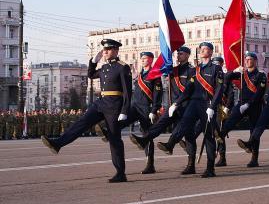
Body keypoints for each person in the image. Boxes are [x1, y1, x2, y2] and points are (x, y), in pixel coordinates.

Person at [41, 39, 132, 183]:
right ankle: (58, 143)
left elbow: (127, 91)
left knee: (114, 139)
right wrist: (93, 61)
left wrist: (124, 110)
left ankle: (120, 173)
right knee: (82, 121)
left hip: (114, 105)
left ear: (115, 50)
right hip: (101, 102)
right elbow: (91, 74)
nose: (105, 52)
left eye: (107, 50)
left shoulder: (123, 68)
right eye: (104, 50)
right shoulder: (104, 68)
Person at [156, 42, 224, 178]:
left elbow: (219, 90)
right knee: (184, 124)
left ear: (210, 52)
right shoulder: (196, 70)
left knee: (209, 136)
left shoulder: (216, 69)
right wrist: (176, 103)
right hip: (194, 103)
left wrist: (212, 106)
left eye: (205, 49)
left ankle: (210, 168)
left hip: (207, 104)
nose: (202, 51)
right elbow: (188, 90)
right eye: (201, 49)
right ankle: (170, 144)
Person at [130, 46, 198, 174]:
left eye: (181, 54)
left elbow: (189, 90)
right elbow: (159, 70)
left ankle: (191, 165)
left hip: (186, 107)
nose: (178, 55)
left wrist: (177, 103)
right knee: (160, 124)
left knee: (188, 136)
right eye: (178, 53)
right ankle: (144, 139)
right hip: (172, 107)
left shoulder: (192, 71)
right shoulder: (173, 70)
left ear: (188, 55)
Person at [115, 51, 163, 174]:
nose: (142, 60)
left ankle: (150, 164)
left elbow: (158, 94)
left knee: (147, 135)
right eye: (141, 58)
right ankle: (108, 130)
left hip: (146, 108)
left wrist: (154, 110)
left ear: (151, 60)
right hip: (134, 106)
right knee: (120, 121)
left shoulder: (154, 75)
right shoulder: (140, 75)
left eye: (145, 58)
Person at [220, 52, 267, 167]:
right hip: (241, 103)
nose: (247, 61)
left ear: (255, 61)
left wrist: (249, 104)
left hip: (255, 105)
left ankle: (254, 159)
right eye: (246, 59)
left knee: (253, 131)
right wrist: (235, 71)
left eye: (250, 59)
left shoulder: (261, 75)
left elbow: (259, 93)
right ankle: (220, 135)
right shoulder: (242, 73)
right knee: (230, 120)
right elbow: (226, 78)